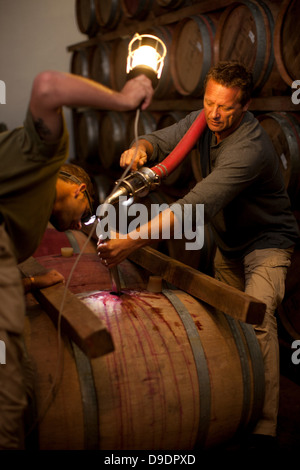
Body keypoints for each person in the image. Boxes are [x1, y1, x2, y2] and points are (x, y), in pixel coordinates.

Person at [97, 61, 300, 450]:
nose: (214, 114)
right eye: (209, 103)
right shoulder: (202, 119)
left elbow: (193, 208)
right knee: (227, 322)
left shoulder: (249, 148)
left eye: (225, 107)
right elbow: (162, 140)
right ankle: (234, 399)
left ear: (245, 106)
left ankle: (264, 427)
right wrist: (142, 148)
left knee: (257, 318)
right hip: (230, 244)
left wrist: (131, 241)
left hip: (267, 243)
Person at [0, 70, 154, 449]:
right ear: (81, 190)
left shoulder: (28, 217)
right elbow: (47, 85)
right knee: (8, 396)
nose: (80, 223)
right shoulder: (44, 157)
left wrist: (34, 282)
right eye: (85, 213)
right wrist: (125, 97)